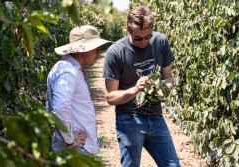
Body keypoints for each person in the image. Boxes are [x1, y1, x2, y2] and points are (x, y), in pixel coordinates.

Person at [103, 6, 181, 167]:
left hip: (156, 117)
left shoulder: (160, 41)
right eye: (138, 38)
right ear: (128, 30)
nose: (144, 42)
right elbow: (110, 97)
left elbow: (168, 77)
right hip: (129, 119)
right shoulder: (116, 52)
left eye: (148, 37)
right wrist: (135, 89)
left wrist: (164, 89)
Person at [46, 25, 112, 154]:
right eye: (96, 49)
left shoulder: (67, 68)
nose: (99, 53)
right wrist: (70, 139)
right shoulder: (68, 71)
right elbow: (60, 107)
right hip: (75, 150)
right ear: (83, 49)